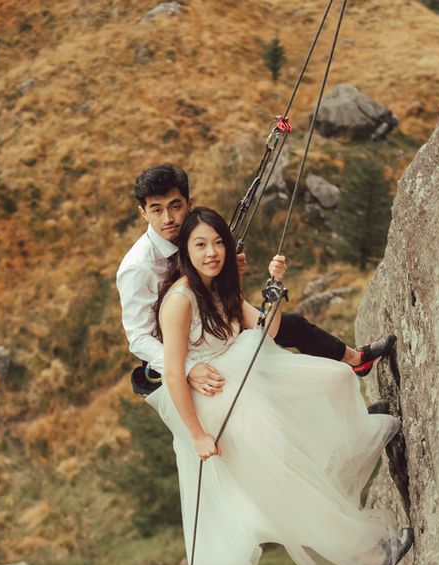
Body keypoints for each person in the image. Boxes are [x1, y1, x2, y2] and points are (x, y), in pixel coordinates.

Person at [147, 206, 413, 565]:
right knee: (293, 483)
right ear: (185, 252)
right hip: (220, 403)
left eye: (218, 243)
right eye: (201, 245)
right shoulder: (181, 301)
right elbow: (173, 372)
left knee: (335, 381)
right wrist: (197, 434)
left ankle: (355, 435)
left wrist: (274, 289)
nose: (212, 253)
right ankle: (370, 556)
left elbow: (267, 331)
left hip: (245, 382)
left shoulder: (220, 286)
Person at [115, 164, 396, 398]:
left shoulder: (194, 232)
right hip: (184, 348)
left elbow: (206, 282)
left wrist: (226, 271)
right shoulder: (138, 267)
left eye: (175, 206)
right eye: (156, 210)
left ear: (189, 204)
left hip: (214, 323)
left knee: (293, 326)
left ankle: (355, 361)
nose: (168, 218)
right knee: (272, 381)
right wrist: (187, 368)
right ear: (143, 213)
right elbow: (139, 337)